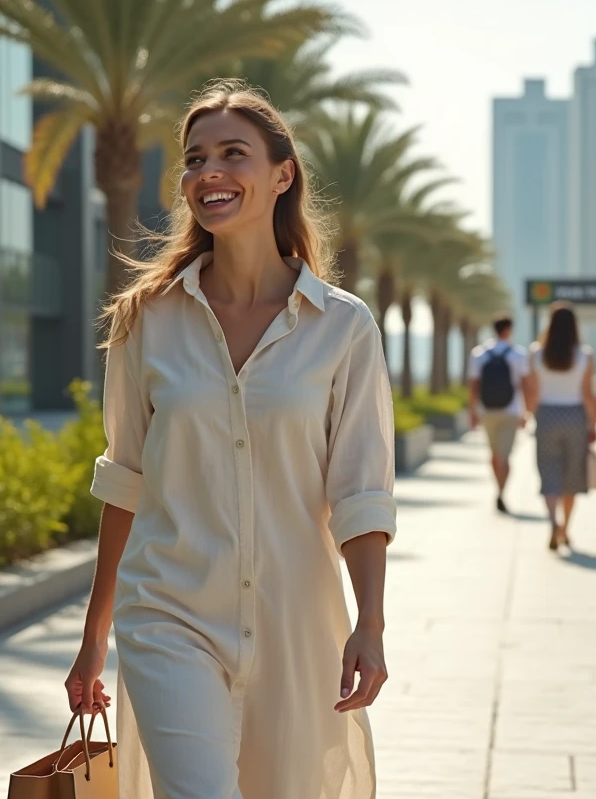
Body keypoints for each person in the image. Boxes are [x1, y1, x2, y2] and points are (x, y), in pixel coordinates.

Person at [66, 81, 396, 799]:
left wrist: (369, 624)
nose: (208, 172)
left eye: (232, 154)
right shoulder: (145, 319)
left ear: (283, 175)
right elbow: (125, 479)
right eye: (194, 159)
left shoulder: (343, 328)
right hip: (167, 613)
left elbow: (362, 492)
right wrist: (95, 639)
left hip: (294, 625)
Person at [526, 303, 596, 550]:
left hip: (546, 415)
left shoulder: (536, 353)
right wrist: (594, 423)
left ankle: (552, 522)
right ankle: (565, 527)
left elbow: (532, 393)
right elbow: (588, 394)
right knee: (572, 476)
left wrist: (532, 416)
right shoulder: (585, 354)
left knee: (549, 473)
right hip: (575, 416)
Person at [468, 314, 529, 513]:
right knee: (505, 455)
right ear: (509, 330)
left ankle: (499, 489)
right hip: (511, 411)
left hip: (487, 411)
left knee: (494, 454)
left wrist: (472, 412)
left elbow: (474, 386)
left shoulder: (479, 354)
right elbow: (524, 386)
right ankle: (502, 491)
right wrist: (526, 412)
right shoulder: (518, 354)